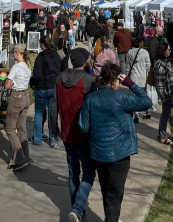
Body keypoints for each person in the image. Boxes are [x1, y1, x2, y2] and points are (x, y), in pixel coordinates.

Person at [78, 63, 152, 222]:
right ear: (114, 81)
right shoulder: (121, 98)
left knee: (106, 191)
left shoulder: (90, 99)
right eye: (118, 79)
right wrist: (131, 84)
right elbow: (146, 102)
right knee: (114, 196)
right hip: (120, 154)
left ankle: (111, 218)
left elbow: (83, 127)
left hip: (99, 153)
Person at [50, 48, 97, 222]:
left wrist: (53, 129)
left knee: (72, 172)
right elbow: (94, 110)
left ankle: (76, 208)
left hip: (66, 134)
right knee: (89, 172)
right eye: (89, 59)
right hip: (84, 135)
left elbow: (54, 105)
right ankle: (77, 209)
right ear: (84, 61)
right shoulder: (89, 81)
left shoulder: (60, 78)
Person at [29, 36, 61, 147]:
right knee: (52, 114)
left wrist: (32, 83)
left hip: (42, 87)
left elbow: (37, 74)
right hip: (53, 87)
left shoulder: (41, 56)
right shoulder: (56, 55)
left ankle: (37, 139)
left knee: (39, 113)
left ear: (43, 44)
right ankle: (53, 139)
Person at [4, 45, 32, 171]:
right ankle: (26, 155)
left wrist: (6, 83)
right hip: (25, 96)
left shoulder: (16, 67)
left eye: (13, 53)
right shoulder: (27, 66)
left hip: (16, 97)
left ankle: (19, 159)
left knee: (10, 128)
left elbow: (7, 84)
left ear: (16, 53)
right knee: (21, 128)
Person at [154, 43, 173, 146]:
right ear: (163, 51)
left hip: (169, 93)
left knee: (166, 114)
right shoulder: (160, 64)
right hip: (166, 95)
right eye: (168, 49)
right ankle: (163, 136)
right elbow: (159, 83)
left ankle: (162, 134)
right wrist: (163, 96)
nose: (170, 51)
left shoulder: (165, 62)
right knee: (165, 114)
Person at [124, 37, 151, 123]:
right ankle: (144, 112)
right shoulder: (145, 52)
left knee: (134, 96)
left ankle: (136, 114)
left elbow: (127, 66)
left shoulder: (129, 52)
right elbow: (148, 66)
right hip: (143, 77)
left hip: (133, 77)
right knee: (143, 95)